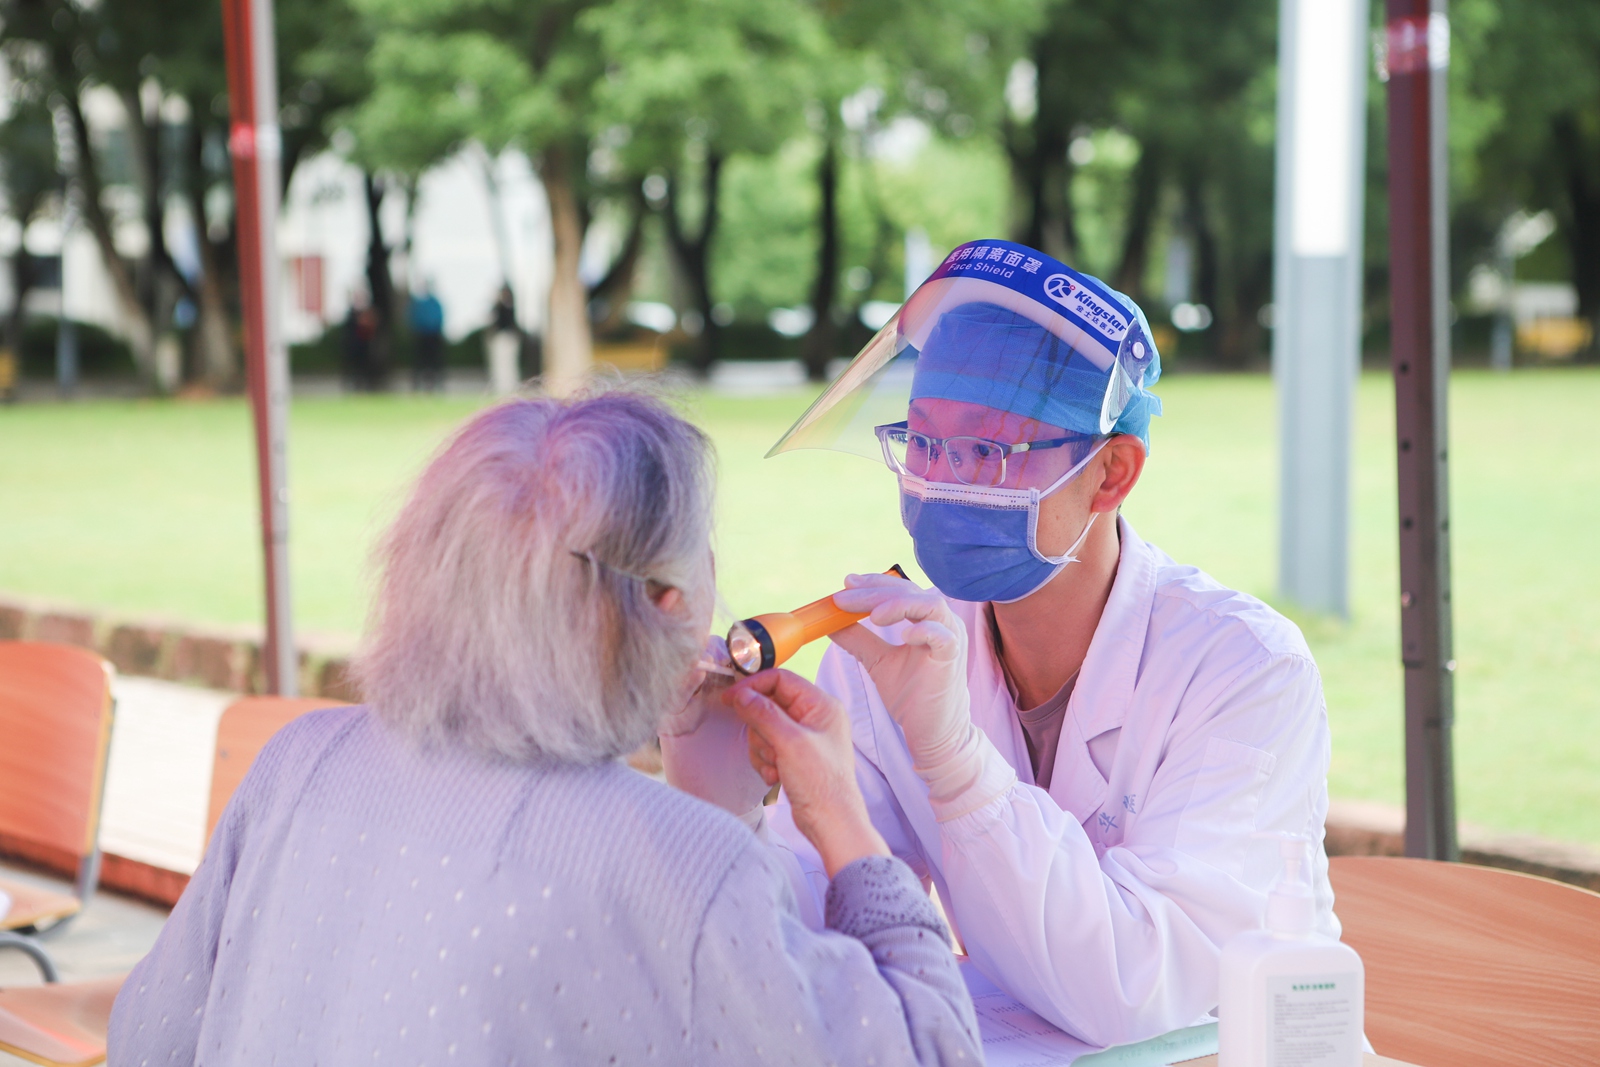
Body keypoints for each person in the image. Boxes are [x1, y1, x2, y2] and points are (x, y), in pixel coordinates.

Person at [107, 390, 982, 1067]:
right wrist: (844, 823)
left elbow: (148, 1039)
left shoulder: (297, 762)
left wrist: (713, 810)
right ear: (670, 601)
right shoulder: (681, 868)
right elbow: (931, 1050)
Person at [664, 238, 1339, 1049]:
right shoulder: (889, 651)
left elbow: (1137, 985)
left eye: (988, 451)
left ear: (1113, 473)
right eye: (924, 442)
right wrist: (726, 808)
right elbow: (814, 934)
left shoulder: (1243, 670)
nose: (943, 480)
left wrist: (953, 761)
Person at [409, 280, 446, 393]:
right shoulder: (418, 304)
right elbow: (413, 318)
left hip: (433, 335)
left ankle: (436, 384)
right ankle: (417, 384)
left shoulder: (434, 303)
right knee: (420, 361)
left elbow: (439, 318)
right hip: (422, 335)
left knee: (435, 361)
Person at [485, 283, 520, 396]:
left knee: (509, 364)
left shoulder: (508, 306)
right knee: (500, 365)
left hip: (507, 337)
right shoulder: (498, 307)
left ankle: (509, 387)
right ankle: (501, 387)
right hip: (501, 338)